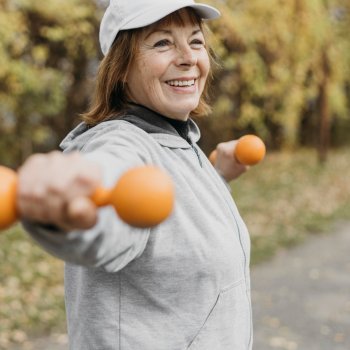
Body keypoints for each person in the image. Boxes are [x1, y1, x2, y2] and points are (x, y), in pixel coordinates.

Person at [18, 0, 253, 349]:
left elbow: (172, 223)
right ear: (122, 68)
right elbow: (109, 200)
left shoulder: (176, 139)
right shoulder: (121, 144)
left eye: (196, 41)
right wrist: (68, 214)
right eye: (162, 42)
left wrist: (216, 176)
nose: (188, 57)